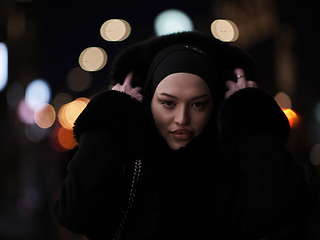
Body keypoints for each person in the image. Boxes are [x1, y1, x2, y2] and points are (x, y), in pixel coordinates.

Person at [53, 31, 317, 240]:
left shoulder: (233, 169)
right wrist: (113, 118)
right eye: (168, 103)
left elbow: (287, 205)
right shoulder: (124, 164)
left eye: (198, 104)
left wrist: (247, 113)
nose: (182, 119)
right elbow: (73, 213)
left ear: (215, 105)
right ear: (146, 101)